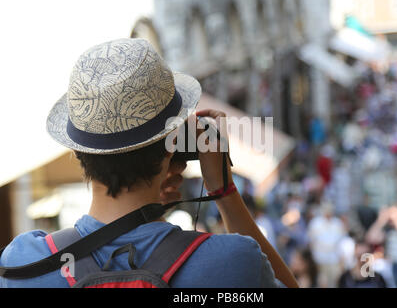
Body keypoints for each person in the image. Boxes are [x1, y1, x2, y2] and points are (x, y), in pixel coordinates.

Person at [0, 38, 298, 288]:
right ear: (172, 144)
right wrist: (223, 190)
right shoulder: (232, 262)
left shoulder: (23, 263)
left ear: (78, 152)